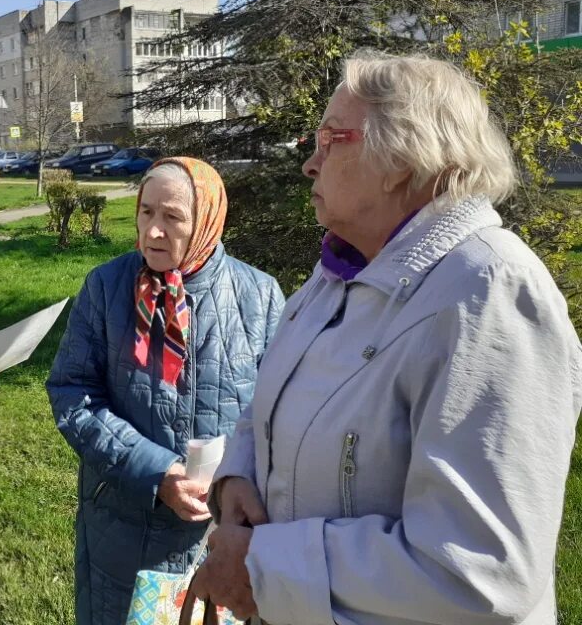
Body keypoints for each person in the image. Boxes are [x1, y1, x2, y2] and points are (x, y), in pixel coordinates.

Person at [193, 52, 582, 624]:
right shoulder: (338, 276)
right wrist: (238, 477)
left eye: (331, 140)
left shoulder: (489, 294)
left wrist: (264, 567)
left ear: (401, 158)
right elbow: (270, 401)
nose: (310, 164)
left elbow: (480, 572)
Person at [47, 156, 285, 625]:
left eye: (172, 217)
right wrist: (157, 473)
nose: (153, 231)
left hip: (222, 538)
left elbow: (280, 409)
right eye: (146, 212)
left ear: (207, 222)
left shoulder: (259, 296)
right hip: (123, 530)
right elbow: (73, 393)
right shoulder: (106, 288)